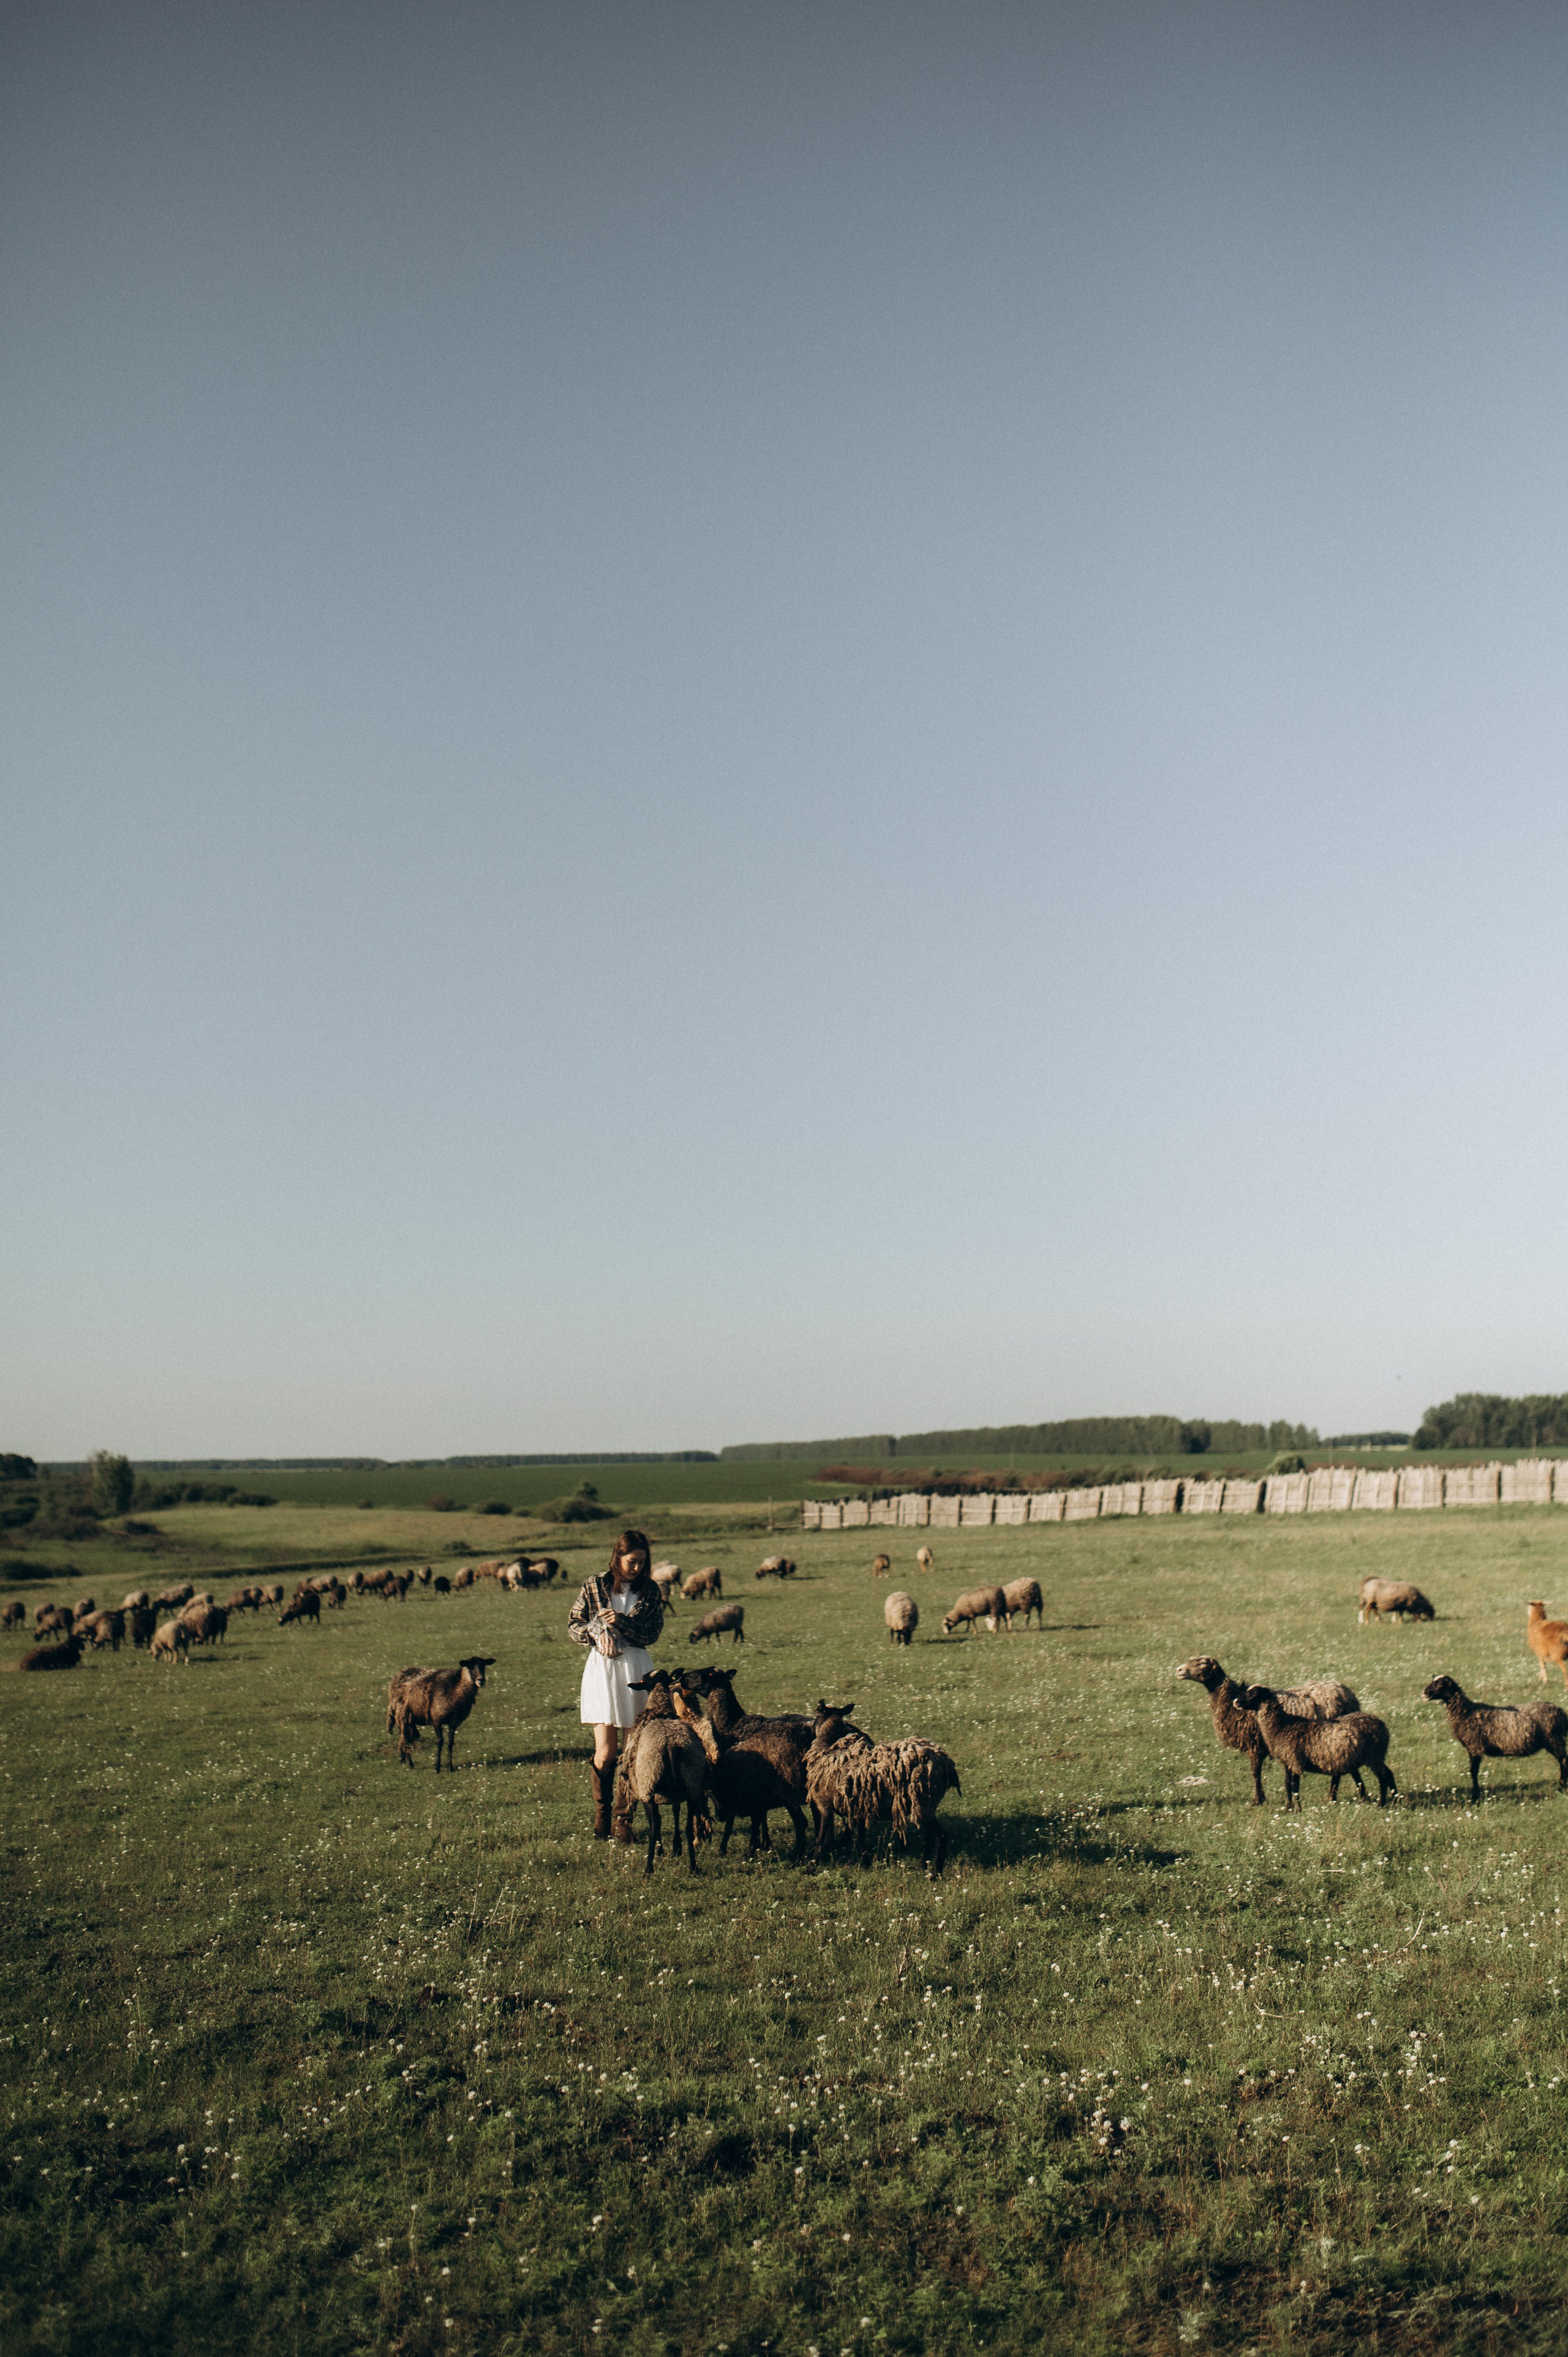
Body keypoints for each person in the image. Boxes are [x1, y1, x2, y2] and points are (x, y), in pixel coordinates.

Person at [568, 1528, 665, 1839]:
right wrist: (597, 1633)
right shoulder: (594, 1584)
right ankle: (601, 1817)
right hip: (602, 1670)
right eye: (631, 1561)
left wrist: (620, 1622)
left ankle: (623, 1821)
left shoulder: (650, 1590)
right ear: (618, 1556)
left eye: (641, 1562)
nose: (636, 1568)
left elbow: (652, 1634)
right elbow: (574, 1625)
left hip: (637, 1667)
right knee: (605, 1752)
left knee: (632, 1749)